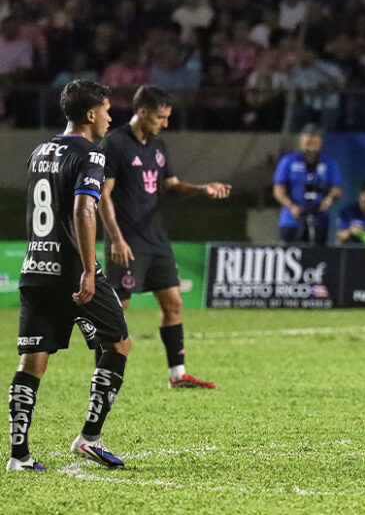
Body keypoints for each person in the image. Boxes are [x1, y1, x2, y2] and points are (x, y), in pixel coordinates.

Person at [9, 80, 131, 471]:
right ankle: (89, 438)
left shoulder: (39, 151)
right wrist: (89, 270)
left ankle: (19, 456)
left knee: (32, 362)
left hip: (35, 268)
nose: (111, 118)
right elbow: (82, 210)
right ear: (91, 114)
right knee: (118, 346)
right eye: (108, 111)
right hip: (72, 272)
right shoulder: (92, 154)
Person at [98, 86, 230, 389]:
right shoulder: (115, 144)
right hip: (127, 241)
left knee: (173, 304)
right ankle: (104, 374)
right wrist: (116, 239)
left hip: (156, 240)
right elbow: (103, 196)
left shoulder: (157, 146)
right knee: (118, 309)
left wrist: (201, 189)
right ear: (142, 112)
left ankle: (177, 375)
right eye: (160, 117)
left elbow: (170, 185)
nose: (165, 124)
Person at [272, 124, 343, 245]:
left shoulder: (329, 163)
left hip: (319, 218)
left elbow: (336, 188)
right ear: (301, 142)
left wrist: (328, 201)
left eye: (314, 144)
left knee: (317, 257)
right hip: (292, 219)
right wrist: (292, 206)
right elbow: (278, 190)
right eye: (307, 144)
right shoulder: (288, 161)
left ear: (320, 143)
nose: (310, 149)